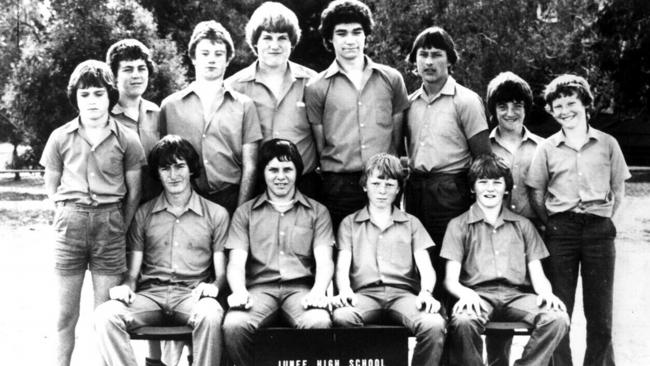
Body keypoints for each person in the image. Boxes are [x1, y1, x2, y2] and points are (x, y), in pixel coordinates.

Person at [39, 59, 146, 366]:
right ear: (75, 98)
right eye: (85, 94)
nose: (92, 101)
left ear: (110, 96)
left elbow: (134, 190)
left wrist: (120, 226)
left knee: (105, 316)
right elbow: (51, 182)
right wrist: (64, 212)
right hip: (70, 225)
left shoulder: (126, 137)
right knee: (64, 315)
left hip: (109, 225)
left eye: (98, 93)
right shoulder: (61, 136)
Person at [94, 135, 228, 366]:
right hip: (151, 296)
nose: (173, 175)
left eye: (180, 166)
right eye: (165, 168)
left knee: (211, 313)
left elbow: (221, 275)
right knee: (105, 315)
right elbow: (133, 275)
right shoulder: (144, 214)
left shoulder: (216, 214)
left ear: (192, 169)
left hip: (191, 295)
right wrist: (126, 287)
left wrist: (213, 287)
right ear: (157, 173)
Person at [526, 74, 631, 366]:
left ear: (586, 104)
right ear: (551, 110)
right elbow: (536, 191)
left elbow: (619, 189)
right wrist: (551, 223)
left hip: (599, 230)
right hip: (561, 230)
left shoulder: (608, 143)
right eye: (557, 105)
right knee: (559, 309)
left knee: (600, 313)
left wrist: (608, 221)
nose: (564, 110)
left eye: (571, 102)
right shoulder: (546, 148)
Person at [441, 154, 569, 366]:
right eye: (483, 182)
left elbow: (538, 275)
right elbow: (450, 280)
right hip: (478, 296)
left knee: (557, 318)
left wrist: (547, 293)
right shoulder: (459, 225)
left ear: (506, 188)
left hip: (516, 296)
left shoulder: (523, 225)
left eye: (496, 182)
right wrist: (465, 294)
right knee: (463, 321)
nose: (490, 189)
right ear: (473, 188)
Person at [222, 139, 334, 366]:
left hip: (300, 290)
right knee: (234, 325)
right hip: (259, 290)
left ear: (297, 172)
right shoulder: (245, 213)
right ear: (262, 173)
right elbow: (236, 263)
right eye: (273, 169)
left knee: (318, 321)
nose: (280, 177)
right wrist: (240, 291)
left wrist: (318, 291)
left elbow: (324, 261)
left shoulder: (317, 212)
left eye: (287, 169)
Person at [332, 153, 446, 366]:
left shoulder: (411, 223)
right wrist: (345, 290)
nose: (382, 191)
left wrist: (426, 293)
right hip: (364, 295)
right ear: (365, 186)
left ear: (398, 188)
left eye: (389, 184)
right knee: (343, 316)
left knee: (433, 323)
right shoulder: (349, 223)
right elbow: (342, 267)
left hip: (403, 295)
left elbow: (426, 269)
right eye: (376, 183)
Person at [305, 0, 409, 229]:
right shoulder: (316, 87)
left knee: (388, 247)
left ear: (366, 35)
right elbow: (321, 145)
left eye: (356, 32)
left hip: (384, 179)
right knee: (344, 252)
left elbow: (397, 136)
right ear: (330, 39)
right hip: (339, 185)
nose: (350, 40)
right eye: (341, 33)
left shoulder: (391, 79)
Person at [403, 26, 490, 297]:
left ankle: (456, 335)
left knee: (450, 265)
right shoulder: (409, 103)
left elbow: (484, 159)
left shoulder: (466, 101)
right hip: (417, 192)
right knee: (421, 263)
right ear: (414, 61)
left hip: (452, 193)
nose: (429, 62)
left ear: (450, 60)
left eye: (437, 54)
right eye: (423, 54)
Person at [160, 20, 262, 215]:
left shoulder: (244, 105)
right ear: (193, 57)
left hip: (230, 197)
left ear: (228, 59)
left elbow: (250, 166)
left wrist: (240, 212)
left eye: (218, 54)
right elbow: (161, 162)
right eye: (205, 54)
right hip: (184, 200)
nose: (212, 60)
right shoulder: (170, 106)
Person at [226, 2, 321, 199]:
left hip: (305, 184)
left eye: (282, 38)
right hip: (257, 185)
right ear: (255, 43)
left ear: (292, 42)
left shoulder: (313, 82)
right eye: (267, 38)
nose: (274, 45)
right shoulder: (234, 86)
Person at [484, 71, 544, 366]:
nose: (510, 112)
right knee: (499, 305)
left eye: (517, 105)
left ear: (526, 107)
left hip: (535, 238)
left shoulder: (543, 146)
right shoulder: (483, 146)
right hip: (494, 237)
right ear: (493, 110)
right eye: (502, 106)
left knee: (539, 307)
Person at [106, 38, 162, 203]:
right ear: (114, 75)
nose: (136, 75)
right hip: (117, 207)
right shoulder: (104, 117)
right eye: (128, 69)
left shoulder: (158, 113)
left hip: (154, 208)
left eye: (141, 68)